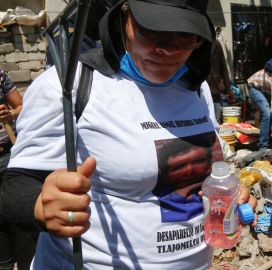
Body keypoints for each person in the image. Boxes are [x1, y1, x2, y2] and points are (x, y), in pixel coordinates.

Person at [0, 0, 257, 269]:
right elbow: (15, 187)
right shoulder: (68, 85)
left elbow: (199, 175)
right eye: (151, 29)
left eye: (185, 34)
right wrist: (41, 205)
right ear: (122, 19)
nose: (168, 49)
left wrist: (228, 192)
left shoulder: (195, 87)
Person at [0, 70, 27, 269]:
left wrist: (10, 114)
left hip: (8, 154)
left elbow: (20, 106)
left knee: (17, 210)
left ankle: (27, 261)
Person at [206, 27, 233, 123]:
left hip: (214, 88)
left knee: (215, 120)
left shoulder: (216, 44)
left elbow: (223, 67)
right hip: (204, 89)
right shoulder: (196, 44)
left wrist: (227, 89)